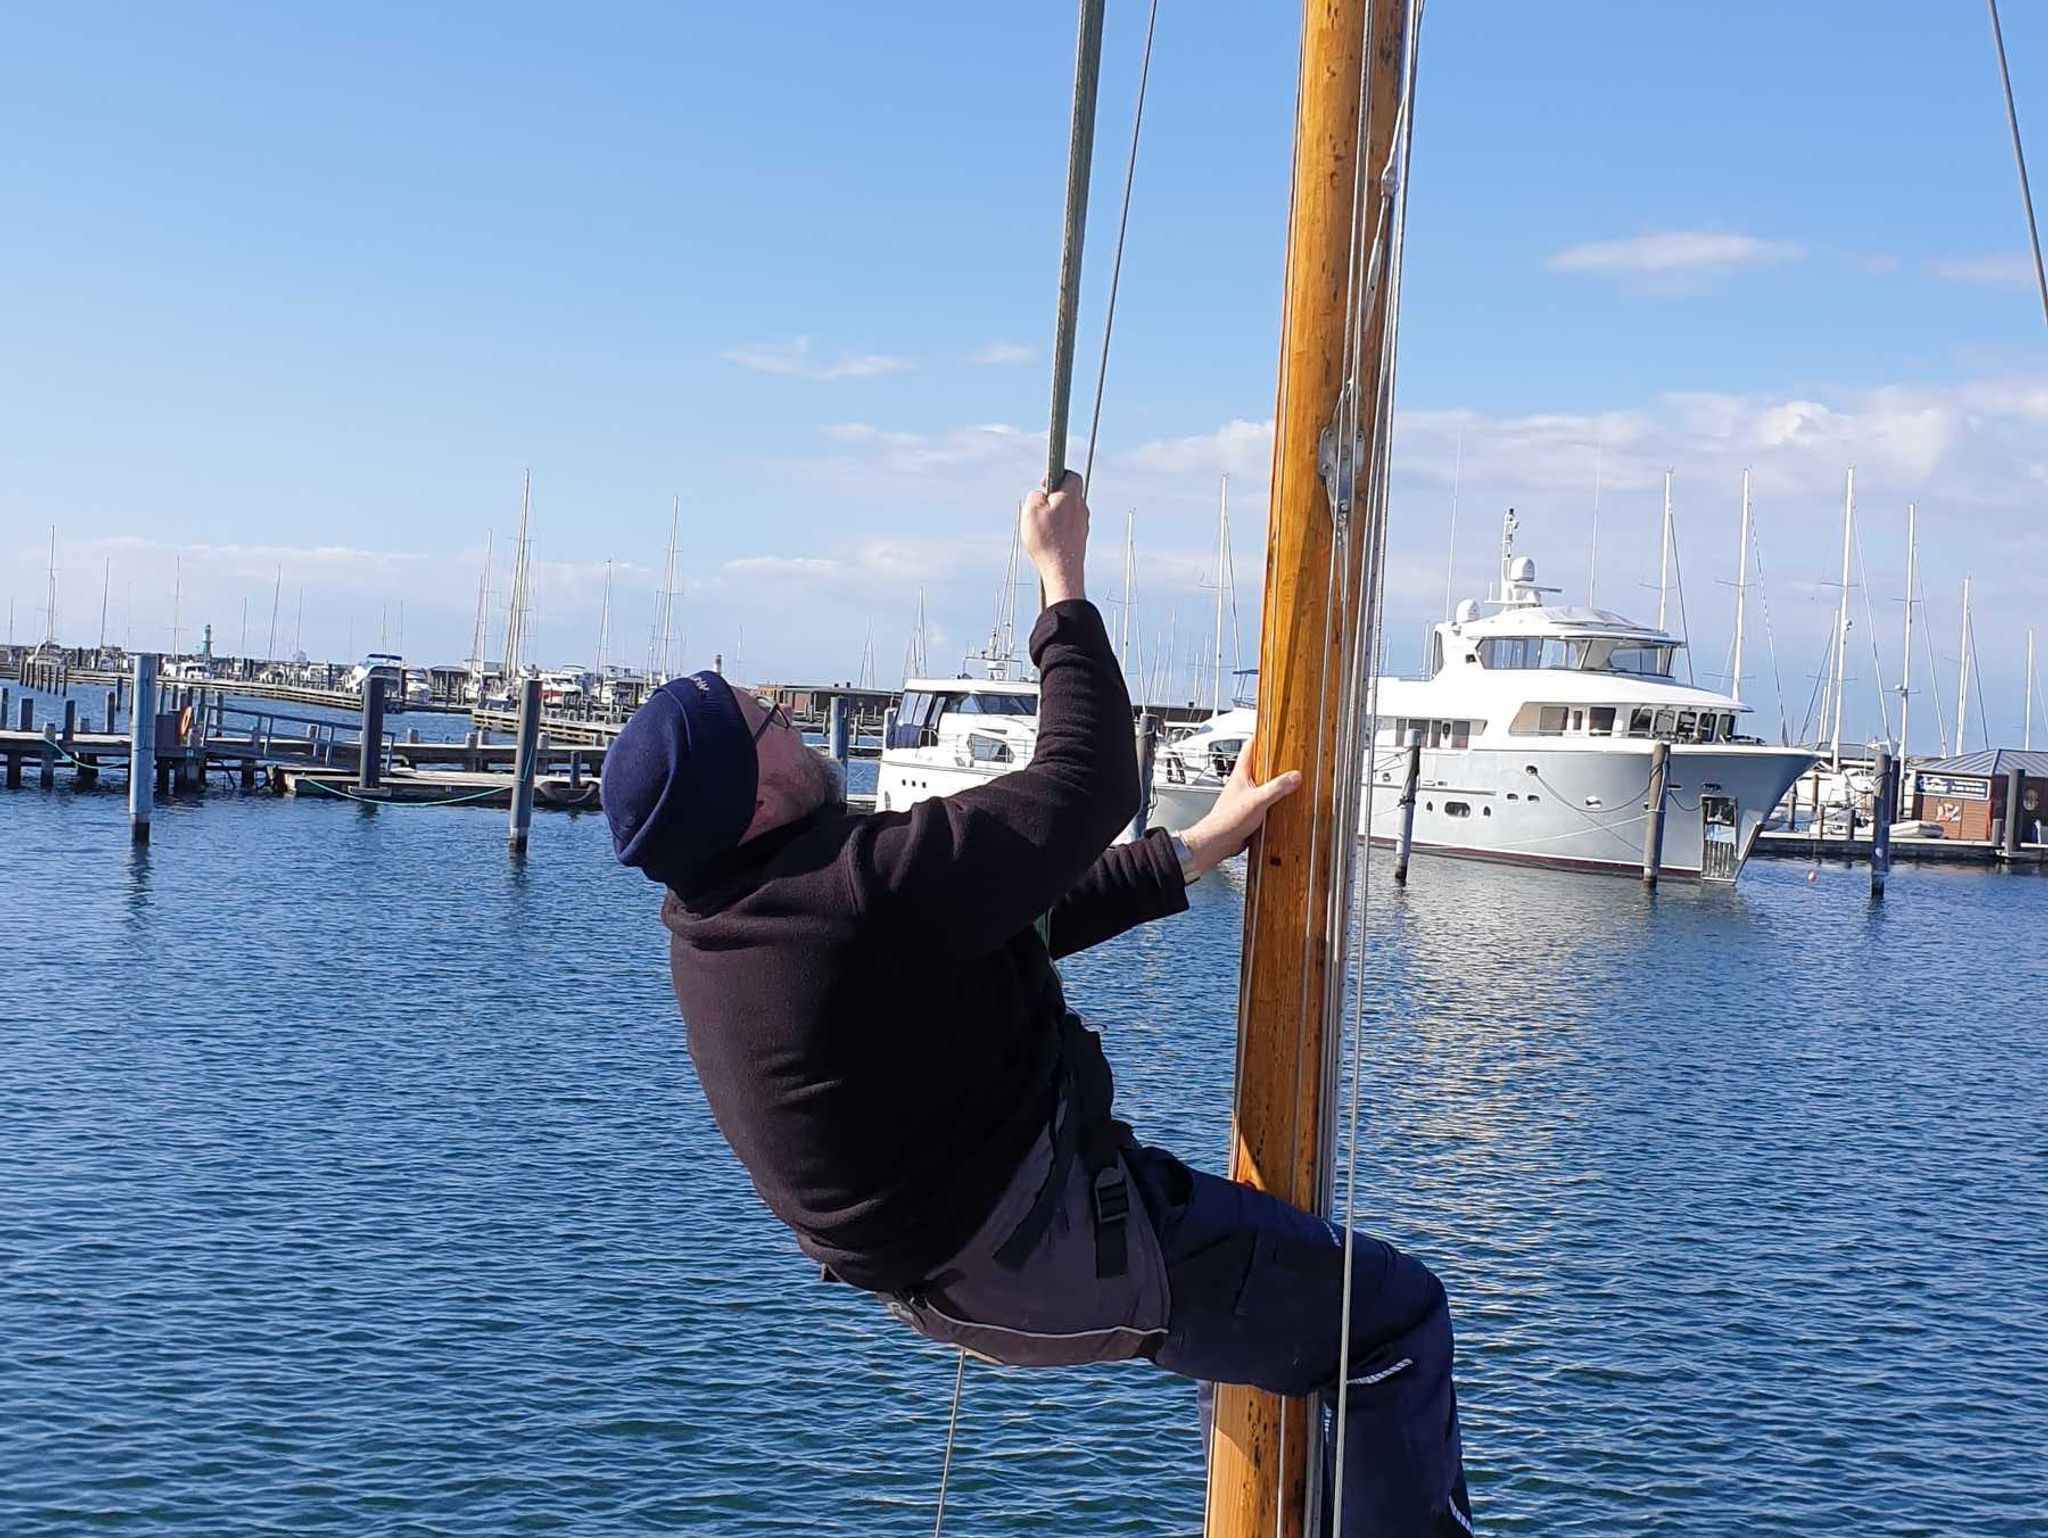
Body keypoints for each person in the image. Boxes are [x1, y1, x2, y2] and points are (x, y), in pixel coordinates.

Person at [602, 474, 1473, 1536]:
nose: (790, 718)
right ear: (752, 797)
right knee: (1386, 1322)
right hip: (1042, 1249)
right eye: (768, 720)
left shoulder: (738, 918)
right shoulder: (843, 893)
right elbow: (1090, 779)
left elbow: (1012, 917)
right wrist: (1061, 577)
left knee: (1271, 1331)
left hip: (984, 1258)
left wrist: (1187, 854)